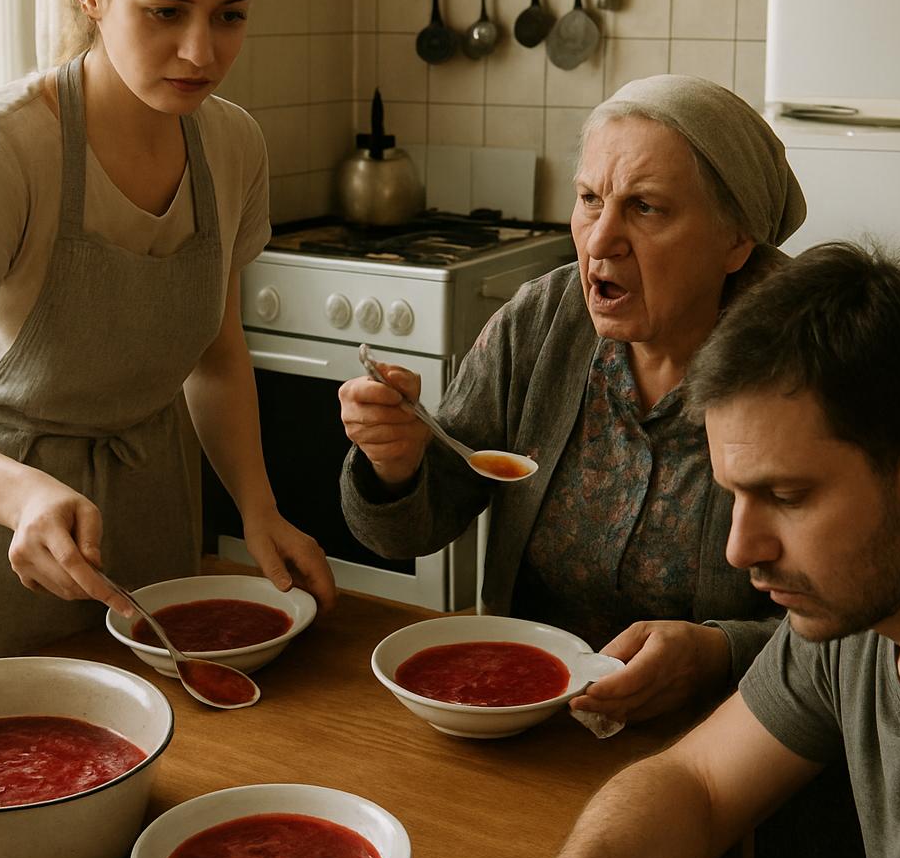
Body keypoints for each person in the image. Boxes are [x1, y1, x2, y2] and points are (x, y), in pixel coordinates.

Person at [415, 241, 900, 858]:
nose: (742, 550)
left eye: (788, 495)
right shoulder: (851, 629)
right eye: (734, 494)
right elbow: (695, 786)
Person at [0, 0, 334, 676]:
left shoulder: (234, 148)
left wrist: (258, 508)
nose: (200, 52)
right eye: (164, 11)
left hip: (152, 527)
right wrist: (24, 497)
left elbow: (214, 356)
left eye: (230, 15)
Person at [340, 74, 805, 725]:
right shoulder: (541, 322)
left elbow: (862, 626)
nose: (599, 240)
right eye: (590, 199)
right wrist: (395, 463)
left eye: (646, 208)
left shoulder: (805, 362)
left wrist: (722, 652)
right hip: (521, 716)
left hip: (723, 740)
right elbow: (414, 526)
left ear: (736, 240)